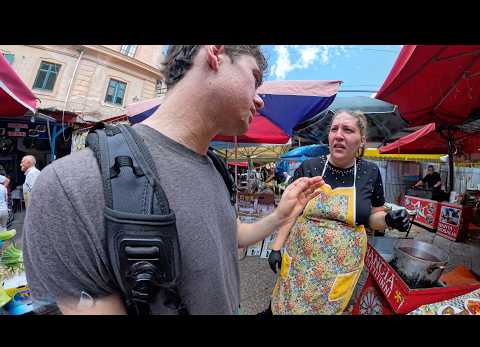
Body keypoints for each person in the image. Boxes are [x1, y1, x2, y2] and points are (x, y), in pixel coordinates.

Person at [22, 45, 324, 315]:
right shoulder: (70, 185)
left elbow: (232, 235)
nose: (260, 100)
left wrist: (280, 215)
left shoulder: (215, 169)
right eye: (255, 78)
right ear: (215, 54)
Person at [267, 110, 410, 315]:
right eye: (334, 129)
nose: (339, 135)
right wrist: (276, 247)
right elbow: (289, 212)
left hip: (338, 272)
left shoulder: (370, 172)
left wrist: (388, 219)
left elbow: (372, 219)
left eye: (348, 130)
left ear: (362, 141)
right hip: (300, 265)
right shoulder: (310, 167)